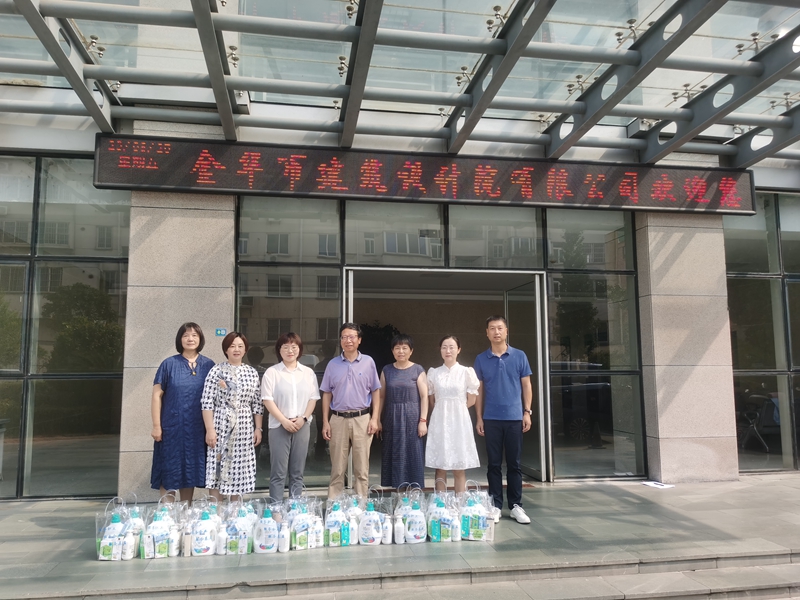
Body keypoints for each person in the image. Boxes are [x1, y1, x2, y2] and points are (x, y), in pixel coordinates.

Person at [474, 316, 533, 524]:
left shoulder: (519, 356)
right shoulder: (481, 359)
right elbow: (479, 391)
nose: (496, 332)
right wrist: (479, 417)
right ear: (487, 333)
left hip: (515, 417)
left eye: (500, 328)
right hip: (491, 418)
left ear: (507, 331)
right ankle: (496, 505)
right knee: (493, 464)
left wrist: (527, 412)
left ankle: (516, 506)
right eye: (492, 328)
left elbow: (526, 385)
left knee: (515, 464)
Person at [150, 322, 214, 503]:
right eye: (186, 335)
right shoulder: (168, 364)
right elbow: (156, 396)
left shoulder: (209, 365)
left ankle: (186, 511)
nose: (190, 339)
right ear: (180, 339)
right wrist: (156, 426)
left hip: (197, 428)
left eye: (194, 335)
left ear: (200, 339)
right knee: (169, 469)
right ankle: (168, 514)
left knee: (189, 470)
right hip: (171, 427)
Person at [320, 322, 381, 498]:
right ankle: (334, 505)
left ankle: (361, 504)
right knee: (337, 468)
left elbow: (376, 390)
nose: (348, 340)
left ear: (359, 340)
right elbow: (326, 393)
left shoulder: (368, 362)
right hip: (338, 419)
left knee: (361, 468)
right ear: (340, 341)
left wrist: (374, 418)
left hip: (362, 418)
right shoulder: (332, 364)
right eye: (344, 337)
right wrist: (325, 421)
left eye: (352, 337)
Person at [201, 332, 264, 499]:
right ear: (226, 349)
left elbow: (257, 403)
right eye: (232, 346)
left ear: (245, 350)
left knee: (239, 470)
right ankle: (216, 510)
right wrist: (210, 430)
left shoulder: (252, 372)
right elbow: (207, 402)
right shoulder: (216, 371)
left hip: (244, 425)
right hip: (220, 424)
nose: (236, 349)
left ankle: (236, 511)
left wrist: (258, 428)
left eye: (240, 346)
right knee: (218, 466)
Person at [261, 332, 320, 502]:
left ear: (299, 349)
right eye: (285, 347)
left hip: (302, 425)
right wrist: (284, 421)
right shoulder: (272, 372)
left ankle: (295, 509)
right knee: (278, 472)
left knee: (297, 472)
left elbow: (313, 399)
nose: (290, 351)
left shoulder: (308, 373)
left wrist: (303, 418)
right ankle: (276, 510)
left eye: (294, 347)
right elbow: (267, 400)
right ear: (279, 350)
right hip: (279, 426)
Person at [425, 335, 480, 494]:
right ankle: (440, 503)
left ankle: (460, 502)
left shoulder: (466, 372)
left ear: (459, 350)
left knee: (459, 466)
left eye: (451, 347)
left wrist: (456, 409)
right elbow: (432, 400)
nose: (447, 351)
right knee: (440, 466)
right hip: (439, 421)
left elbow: (471, 400)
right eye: (444, 347)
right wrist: (444, 410)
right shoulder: (434, 373)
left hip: (459, 421)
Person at [380, 334, 428, 489]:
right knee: (394, 454)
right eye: (397, 348)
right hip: (391, 417)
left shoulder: (418, 370)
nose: (401, 351)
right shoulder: (387, 370)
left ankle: (414, 494)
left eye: (404, 348)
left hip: (412, 417)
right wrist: (377, 419)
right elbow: (381, 396)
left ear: (411, 351)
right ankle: (398, 494)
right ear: (392, 351)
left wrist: (423, 421)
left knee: (413, 455)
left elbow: (424, 397)